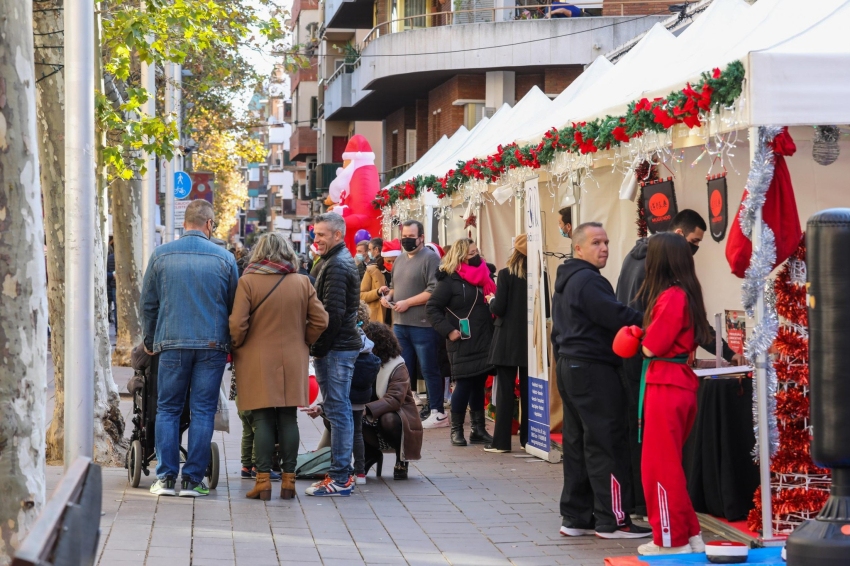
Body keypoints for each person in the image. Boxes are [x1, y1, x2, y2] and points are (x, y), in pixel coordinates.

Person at [616, 209, 744, 517]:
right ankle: (666, 519)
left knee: (657, 456)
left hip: (659, 376)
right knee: (662, 457)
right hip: (662, 377)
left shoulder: (660, 282)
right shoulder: (673, 288)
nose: (694, 249)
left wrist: (640, 340)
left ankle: (664, 521)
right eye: (693, 242)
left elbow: (653, 340)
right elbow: (663, 335)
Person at [550, 222, 651, 539]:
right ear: (578, 248)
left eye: (606, 242)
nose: (604, 248)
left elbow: (559, 331)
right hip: (591, 370)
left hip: (572, 366)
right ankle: (613, 521)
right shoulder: (588, 280)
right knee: (606, 443)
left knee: (578, 444)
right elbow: (617, 316)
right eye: (596, 243)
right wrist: (652, 320)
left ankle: (576, 518)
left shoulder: (569, 279)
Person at [141, 199, 239, 497]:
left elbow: (148, 304)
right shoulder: (225, 259)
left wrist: (150, 340)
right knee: (203, 411)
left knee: (168, 409)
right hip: (212, 345)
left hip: (172, 342)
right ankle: (193, 480)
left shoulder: (161, 255)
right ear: (209, 224)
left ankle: (165, 478)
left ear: (185, 223)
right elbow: (233, 306)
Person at [229, 233, 329, 500]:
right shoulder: (302, 282)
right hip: (293, 358)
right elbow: (320, 320)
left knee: (262, 419)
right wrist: (303, 340)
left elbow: (237, 324)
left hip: (255, 358)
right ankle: (288, 481)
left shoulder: (248, 282)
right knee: (288, 418)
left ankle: (262, 482)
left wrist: (237, 344)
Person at [634, 233, 709, 556]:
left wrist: (638, 337)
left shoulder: (671, 296)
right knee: (670, 465)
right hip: (676, 382)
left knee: (659, 466)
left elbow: (652, 347)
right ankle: (688, 533)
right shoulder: (684, 293)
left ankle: (671, 539)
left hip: (666, 383)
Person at [307, 212, 362, 497]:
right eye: (315, 233)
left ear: (338, 235)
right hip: (338, 346)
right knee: (338, 410)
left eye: (321, 234)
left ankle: (341, 477)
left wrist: (319, 348)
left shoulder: (337, 264)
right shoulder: (334, 260)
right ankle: (341, 473)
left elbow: (333, 315)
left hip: (337, 348)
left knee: (338, 411)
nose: (316, 239)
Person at [426, 238, 495, 447]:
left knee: (478, 383)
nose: (476, 256)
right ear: (461, 256)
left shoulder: (485, 275)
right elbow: (432, 308)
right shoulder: (449, 280)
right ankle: (456, 430)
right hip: (461, 339)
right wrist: (448, 331)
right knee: (464, 384)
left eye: (477, 251)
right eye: (471, 253)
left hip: (483, 337)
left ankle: (478, 429)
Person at [379, 220, 447, 428]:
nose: (407, 240)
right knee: (403, 369)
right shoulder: (399, 259)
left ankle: (437, 411)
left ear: (421, 237)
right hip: (400, 324)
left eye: (411, 237)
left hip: (423, 325)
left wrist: (408, 302)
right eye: (404, 237)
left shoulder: (430, 258)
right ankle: (406, 409)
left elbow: (434, 290)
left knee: (429, 368)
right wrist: (388, 297)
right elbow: (394, 286)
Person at [361, 321, 423, 480]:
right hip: (370, 417)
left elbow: (395, 399)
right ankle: (370, 454)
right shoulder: (362, 361)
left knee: (388, 418)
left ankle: (401, 459)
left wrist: (366, 409)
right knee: (344, 417)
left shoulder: (397, 365)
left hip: (397, 418)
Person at [484, 234, 529, 453]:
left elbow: (499, 308)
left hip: (507, 340)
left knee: (505, 392)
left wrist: (491, 300)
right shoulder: (540, 274)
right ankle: (529, 440)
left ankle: (501, 442)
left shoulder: (505, 274)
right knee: (529, 392)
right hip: (530, 342)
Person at [361, 242, 388, 323]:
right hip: (377, 319)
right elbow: (362, 296)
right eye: (389, 261)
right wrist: (377, 292)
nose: (391, 264)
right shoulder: (372, 270)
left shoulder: (401, 271)